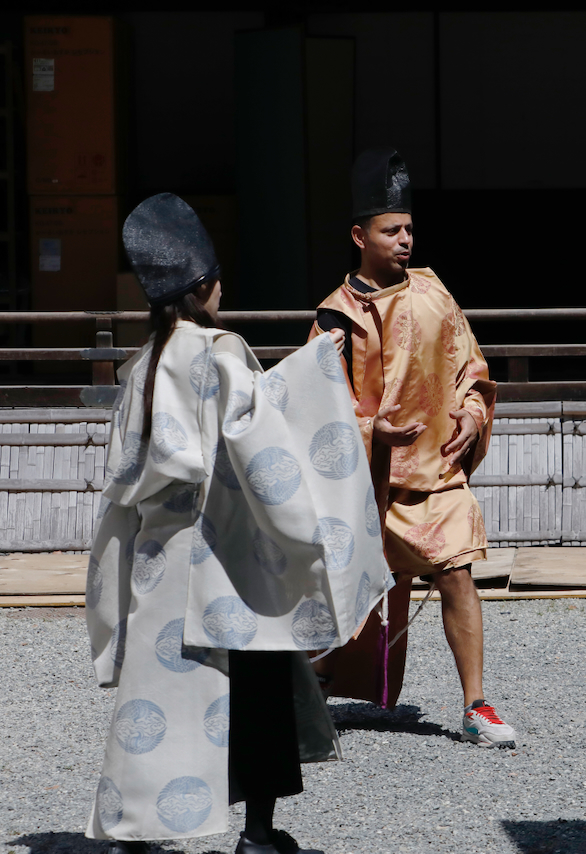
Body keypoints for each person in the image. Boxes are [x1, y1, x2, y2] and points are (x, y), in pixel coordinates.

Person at [86, 194, 391, 854]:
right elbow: (262, 443)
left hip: (158, 556)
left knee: (154, 696)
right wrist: (319, 367)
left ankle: (133, 833)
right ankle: (257, 832)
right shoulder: (220, 350)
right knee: (256, 688)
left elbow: (123, 477)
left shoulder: (142, 364)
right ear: (203, 287)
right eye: (218, 280)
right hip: (224, 555)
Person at [311, 148, 514, 748]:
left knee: (458, 574)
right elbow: (313, 407)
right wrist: (369, 430)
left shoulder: (434, 292)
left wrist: (473, 414)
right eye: (390, 230)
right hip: (369, 485)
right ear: (359, 236)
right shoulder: (336, 317)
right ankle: (311, 688)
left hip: (437, 472)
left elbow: (471, 367)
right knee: (348, 599)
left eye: (408, 229)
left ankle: (476, 704)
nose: (404, 240)